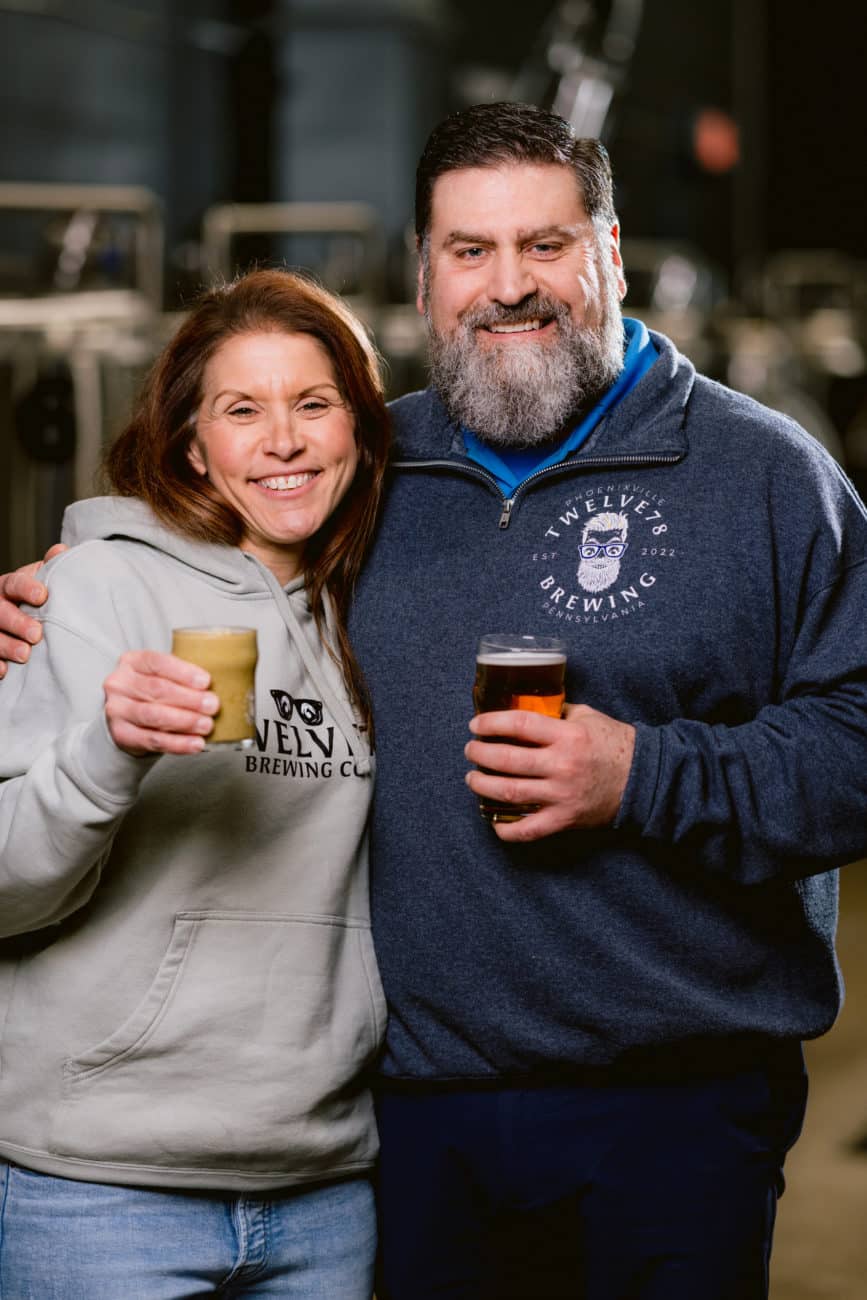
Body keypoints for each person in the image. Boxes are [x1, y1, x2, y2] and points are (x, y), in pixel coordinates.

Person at [3, 101, 867, 1300]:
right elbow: (224, 527)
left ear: (611, 253)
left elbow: (856, 741)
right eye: (471, 251)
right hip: (411, 1123)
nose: (508, 285)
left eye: (546, 245)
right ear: (425, 276)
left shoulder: (765, 476)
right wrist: (79, 587)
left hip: (676, 1108)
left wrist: (646, 775)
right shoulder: (372, 468)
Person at [0, 268, 390, 1298]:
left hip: (323, 1181)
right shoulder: (94, 588)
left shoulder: (371, 606)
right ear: (190, 443)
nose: (284, 439)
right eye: (242, 409)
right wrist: (105, 753)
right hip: (100, 1186)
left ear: (356, 423)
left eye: (314, 403)